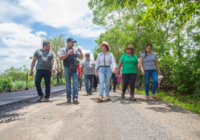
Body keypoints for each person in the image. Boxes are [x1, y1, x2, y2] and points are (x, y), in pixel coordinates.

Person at [59, 38, 83, 104]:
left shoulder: (75, 50)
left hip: (74, 69)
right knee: (68, 84)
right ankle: (68, 98)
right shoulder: (63, 50)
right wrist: (68, 53)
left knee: (75, 83)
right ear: (68, 42)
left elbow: (81, 57)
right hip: (67, 68)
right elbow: (60, 58)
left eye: (73, 42)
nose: (73, 44)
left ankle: (75, 98)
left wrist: (80, 51)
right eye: (72, 42)